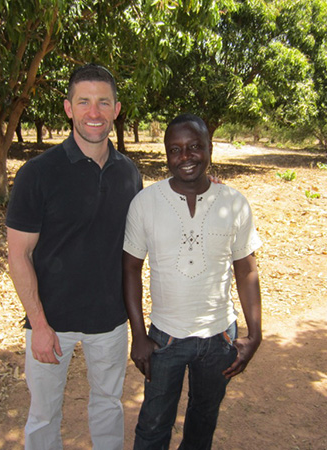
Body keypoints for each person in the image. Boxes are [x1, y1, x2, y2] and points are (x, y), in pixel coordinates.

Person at [6, 64, 142, 450]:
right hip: (52, 322)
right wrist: (39, 325)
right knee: (44, 415)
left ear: (117, 109)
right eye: (84, 101)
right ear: (68, 108)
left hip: (110, 322)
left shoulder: (129, 174)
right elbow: (19, 255)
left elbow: (148, 232)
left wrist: (204, 188)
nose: (93, 112)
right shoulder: (37, 173)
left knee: (108, 406)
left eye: (103, 102)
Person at [123, 113, 263, 449]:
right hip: (165, 339)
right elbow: (130, 269)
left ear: (210, 148)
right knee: (154, 425)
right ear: (166, 154)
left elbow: (246, 270)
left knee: (203, 420)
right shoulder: (146, 203)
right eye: (176, 149)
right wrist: (139, 335)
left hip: (219, 339)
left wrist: (255, 334)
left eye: (195, 147)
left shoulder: (233, 202)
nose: (186, 157)